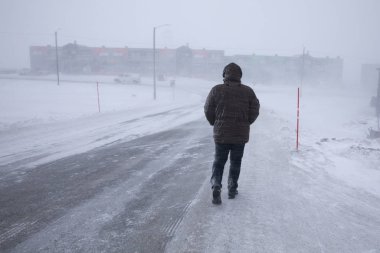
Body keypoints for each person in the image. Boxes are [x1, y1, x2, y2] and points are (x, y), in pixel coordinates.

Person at [204, 63, 260, 205]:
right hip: (239, 135)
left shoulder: (216, 90)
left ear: (224, 75)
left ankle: (216, 185)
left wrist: (214, 123)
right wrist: (246, 122)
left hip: (221, 133)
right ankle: (232, 187)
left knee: (219, 162)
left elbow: (208, 109)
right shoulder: (248, 92)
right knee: (236, 162)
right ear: (240, 76)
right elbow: (255, 109)